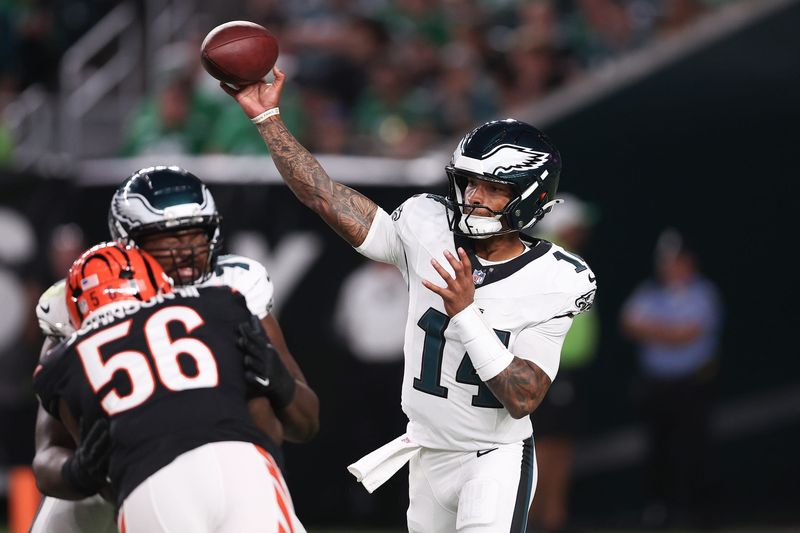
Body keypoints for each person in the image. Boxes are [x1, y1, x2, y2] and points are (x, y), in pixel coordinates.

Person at [222, 68, 597, 532]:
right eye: (469, 182)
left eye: (493, 188)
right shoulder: (427, 223)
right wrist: (269, 120)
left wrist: (466, 314)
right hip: (425, 452)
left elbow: (523, 397)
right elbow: (324, 196)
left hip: (492, 459)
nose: (474, 197)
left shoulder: (558, 277)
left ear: (531, 196)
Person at [31, 166, 319, 533]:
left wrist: (279, 382)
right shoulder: (87, 296)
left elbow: (304, 422)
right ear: (127, 242)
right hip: (113, 469)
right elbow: (48, 453)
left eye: (196, 235)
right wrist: (79, 470)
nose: (186, 252)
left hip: (223, 462)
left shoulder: (233, 287)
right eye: (167, 239)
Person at [620, 228, 722, 529]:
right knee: (658, 450)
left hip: (693, 385)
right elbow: (628, 323)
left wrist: (654, 329)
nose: (668, 267)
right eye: (665, 261)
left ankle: (697, 512)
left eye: (674, 260)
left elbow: (687, 334)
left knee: (694, 449)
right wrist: (669, 331)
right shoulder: (649, 293)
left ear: (688, 261)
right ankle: (660, 510)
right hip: (657, 386)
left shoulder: (704, 293)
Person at [525, 193, 600, 533]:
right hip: (549, 369)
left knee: (554, 445)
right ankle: (542, 521)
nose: (583, 231)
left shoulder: (556, 258)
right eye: (578, 225)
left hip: (556, 370)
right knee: (545, 447)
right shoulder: (553, 261)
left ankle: (547, 519)